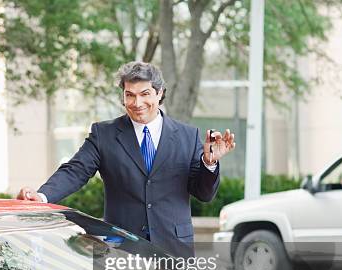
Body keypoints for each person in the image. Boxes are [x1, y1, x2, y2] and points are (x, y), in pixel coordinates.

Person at [17, 61, 235, 257]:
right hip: (120, 250)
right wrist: (42, 196)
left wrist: (209, 163)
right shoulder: (104, 134)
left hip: (174, 250)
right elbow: (75, 171)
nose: (137, 102)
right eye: (130, 95)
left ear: (159, 93)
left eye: (145, 94)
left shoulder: (188, 136)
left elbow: (204, 195)